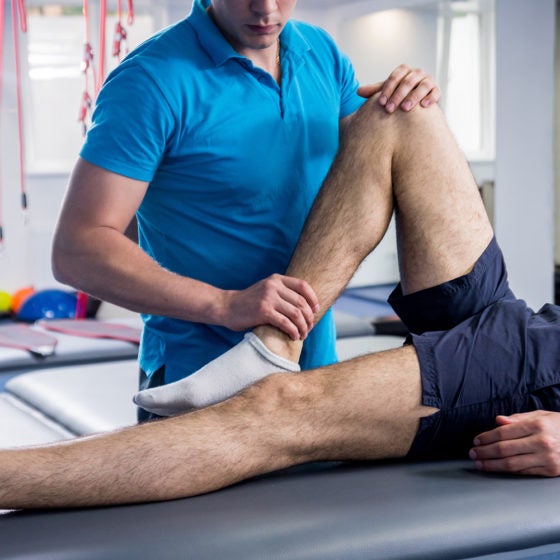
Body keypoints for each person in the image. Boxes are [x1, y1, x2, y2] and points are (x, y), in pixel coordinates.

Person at [2, 94, 560, 511]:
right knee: (400, 113)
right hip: (533, 327)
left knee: (275, 406)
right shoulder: (161, 77)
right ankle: (272, 346)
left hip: (541, 373)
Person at [51, 0, 440, 420]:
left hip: (312, 373)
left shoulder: (321, 52)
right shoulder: (149, 80)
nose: (266, 8)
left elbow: (364, 174)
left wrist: (407, 101)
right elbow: (77, 250)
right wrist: (224, 304)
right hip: (199, 381)